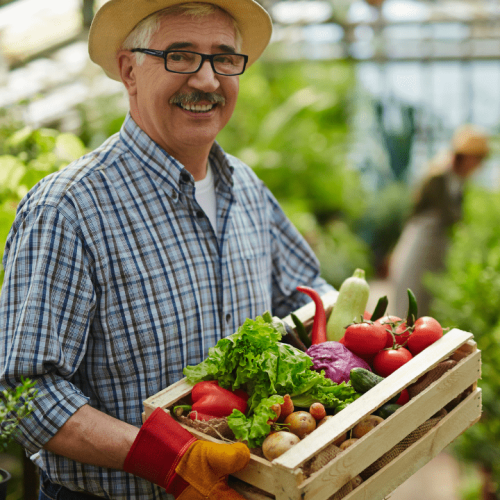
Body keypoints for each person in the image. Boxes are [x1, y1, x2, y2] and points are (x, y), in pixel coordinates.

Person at [0, 1, 334, 499]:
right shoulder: (68, 209)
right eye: (180, 55)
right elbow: (23, 395)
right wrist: (171, 462)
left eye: (224, 58)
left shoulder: (244, 187)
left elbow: (308, 300)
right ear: (128, 70)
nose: (207, 80)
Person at [388, 124, 489, 317]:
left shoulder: (459, 180)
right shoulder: (439, 177)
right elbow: (447, 215)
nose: (479, 164)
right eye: (477, 158)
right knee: (411, 290)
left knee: (428, 298)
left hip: (439, 243)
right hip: (422, 240)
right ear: (465, 156)